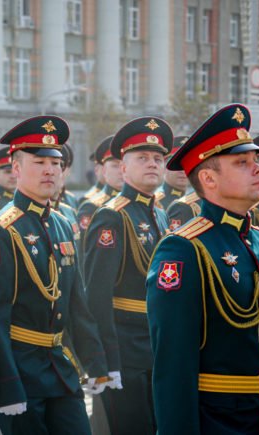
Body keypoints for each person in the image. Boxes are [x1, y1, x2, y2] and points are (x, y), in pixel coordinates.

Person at [146, 104, 259, 434]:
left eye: (256, 161)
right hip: (220, 422)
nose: (258, 170)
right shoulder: (184, 249)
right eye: (242, 163)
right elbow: (173, 367)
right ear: (209, 178)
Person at [0, 115, 111, 435]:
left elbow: (76, 300)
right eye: (39, 162)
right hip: (21, 372)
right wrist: (6, 385)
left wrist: (94, 362)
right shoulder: (1, 230)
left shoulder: (62, 223)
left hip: (59, 366)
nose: (50, 170)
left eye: (56, 162)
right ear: (16, 169)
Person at [84, 117, 171, 434]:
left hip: (156, 345)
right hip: (125, 350)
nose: (153, 164)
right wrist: (106, 360)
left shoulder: (159, 213)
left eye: (158, 159)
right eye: (142, 158)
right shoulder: (111, 215)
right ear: (123, 169)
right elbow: (96, 295)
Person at [77, 136, 124, 238]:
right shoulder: (91, 207)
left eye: (124, 165)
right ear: (104, 171)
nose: (121, 171)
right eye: (115, 166)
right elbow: (83, 249)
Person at [155, 136, 189, 210]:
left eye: (187, 164)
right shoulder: (155, 202)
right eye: (176, 165)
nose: (182, 170)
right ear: (164, 166)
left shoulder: (200, 200)